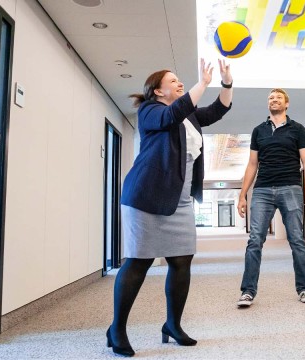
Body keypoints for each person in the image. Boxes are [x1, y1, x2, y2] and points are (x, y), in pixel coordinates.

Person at [106, 59, 233, 357]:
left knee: (181, 261)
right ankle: (117, 329)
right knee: (139, 261)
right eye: (173, 81)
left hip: (180, 199)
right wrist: (201, 84)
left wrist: (225, 83)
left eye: (180, 80)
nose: (179, 83)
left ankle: (172, 325)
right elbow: (172, 115)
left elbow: (217, 110)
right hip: (147, 196)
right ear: (158, 91)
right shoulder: (150, 111)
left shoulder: (190, 116)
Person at [236, 88, 305, 307]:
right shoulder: (259, 131)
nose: (273, 100)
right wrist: (242, 194)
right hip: (263, 189)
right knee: (255, 240)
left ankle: (304, 289)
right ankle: (248, 291)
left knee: (296, 240)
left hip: (290, 188)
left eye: (278, 98)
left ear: (287, 104)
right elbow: (252, 164)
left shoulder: (297, 129)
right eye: (270, 98)